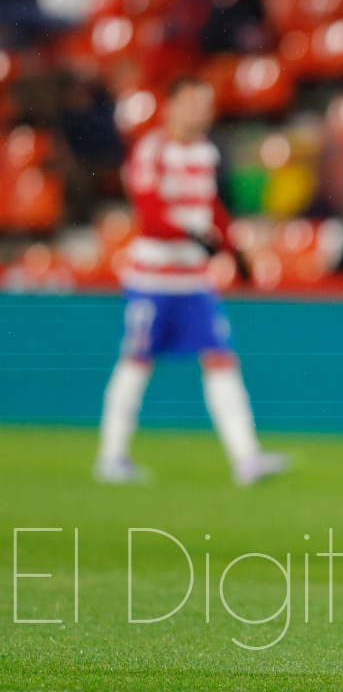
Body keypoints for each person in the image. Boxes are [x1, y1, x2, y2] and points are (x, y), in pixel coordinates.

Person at [93, 78, 288, 486]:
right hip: (153, 279)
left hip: (193, 280)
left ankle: (247, 457)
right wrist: (196, 236)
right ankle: (111, 457)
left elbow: (210, 206)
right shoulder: (152, 150)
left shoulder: (205, 151)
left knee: (221, 358)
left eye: (206, 105)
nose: (201, 112)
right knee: (136, 361)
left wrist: (234, 249)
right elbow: (150, 216)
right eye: (193, 104)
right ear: (172, 107)